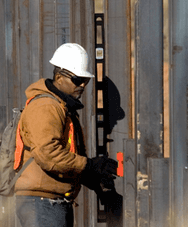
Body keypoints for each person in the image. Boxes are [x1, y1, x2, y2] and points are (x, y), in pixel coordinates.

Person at [14, 43, 119, 227]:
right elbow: (48, 155)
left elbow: (66, 160)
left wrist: (95, 179)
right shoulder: (46, 107)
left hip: (51, 202)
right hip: (41, 203)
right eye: (78, 80)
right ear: (59, 77)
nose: (82, 86)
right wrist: (89, 165)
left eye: (86, 81)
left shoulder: (63, 107)